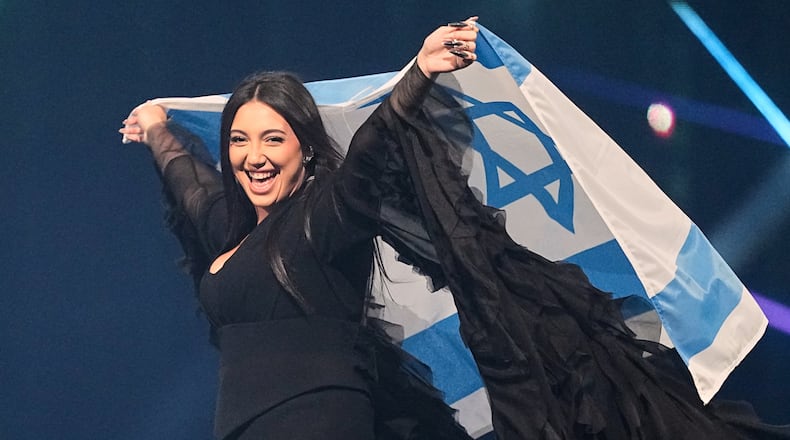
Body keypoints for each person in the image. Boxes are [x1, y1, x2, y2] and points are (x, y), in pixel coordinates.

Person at [122, 18, 789, 440]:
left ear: (304, 146)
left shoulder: (321, 223)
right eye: (240, 139)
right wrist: (156, 128)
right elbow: (193, 183)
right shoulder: (229, 237)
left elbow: (371, 154)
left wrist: (418, 73)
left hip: (319, 421)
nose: (254, 154)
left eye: (274, 137)